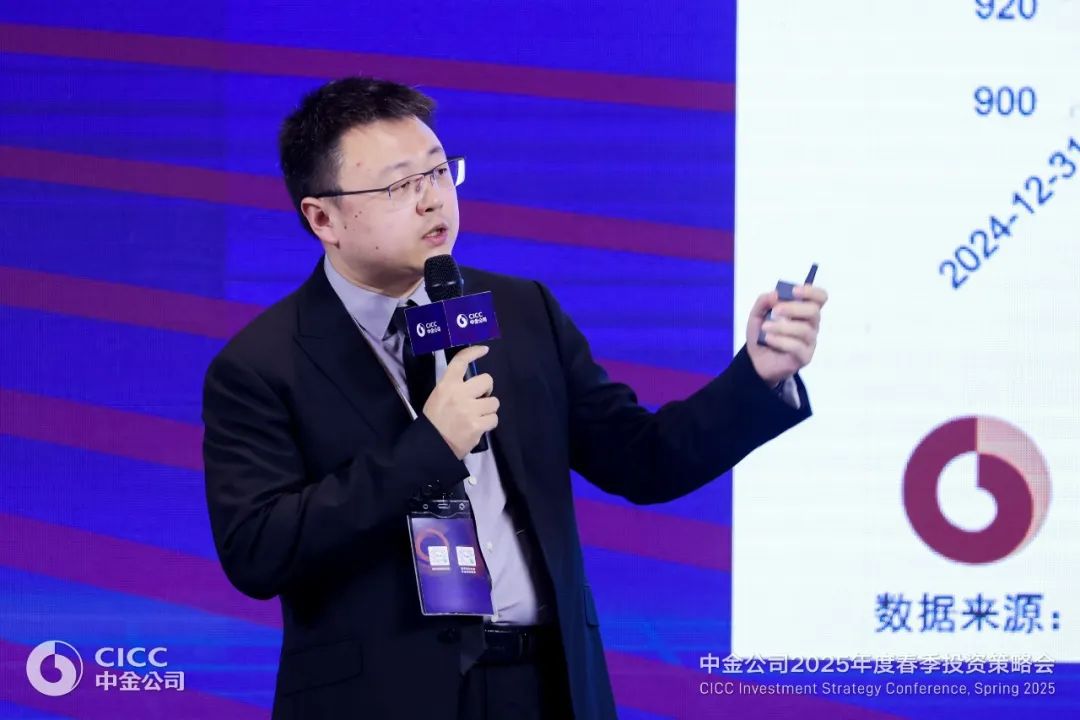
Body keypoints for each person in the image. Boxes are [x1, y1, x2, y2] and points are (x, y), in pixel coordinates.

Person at [202, 76, 828, 720]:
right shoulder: (262, 365)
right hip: (380, 701)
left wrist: (757, 376)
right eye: (399, 186)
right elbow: (259, 551)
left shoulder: (522, 311)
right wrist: (429, 447)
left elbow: (643, 460)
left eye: (438, 172)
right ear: (322, 218)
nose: (432, 199)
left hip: (544, 687)